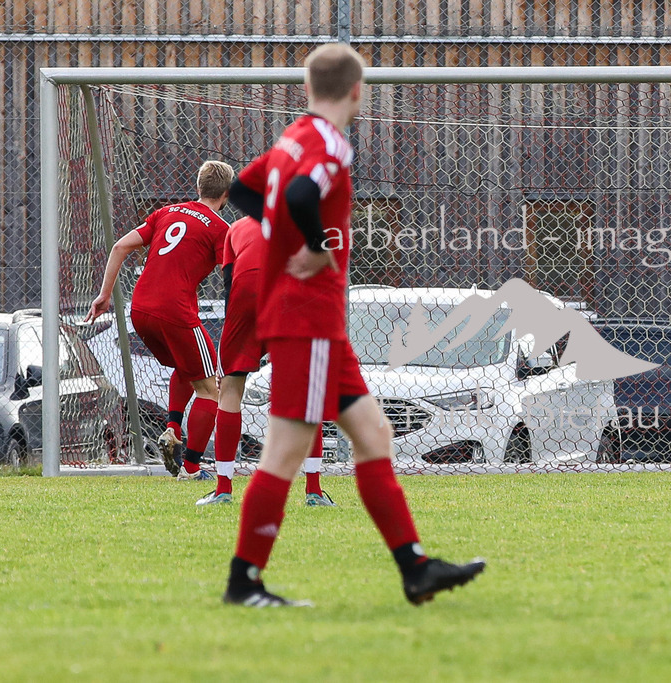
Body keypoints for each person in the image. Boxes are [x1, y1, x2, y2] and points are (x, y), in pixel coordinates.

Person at [222, 43, 485, 607]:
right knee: (284, 453)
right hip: (307, 317)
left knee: (373, 434)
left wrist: (288, 233)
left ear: (308, 88)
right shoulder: (331, 143)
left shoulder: (292, 135)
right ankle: (243, 584)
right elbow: (298, 194)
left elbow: (245, 189)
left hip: (313, 323)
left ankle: (415, 569)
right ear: (358, 90)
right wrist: (314, 245)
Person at [86, 160, 234, 481]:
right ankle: (193, 469)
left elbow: (120, 246)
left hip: (140, 310)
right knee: (211, 390)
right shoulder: (221, 229)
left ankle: (171, 428)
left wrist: (105, 295)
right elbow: (229, 278)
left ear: (198, 187)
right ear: (226, 194)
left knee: (189, 365)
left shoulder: (167, 213)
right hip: (176, 312)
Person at [196, 215, 335, 507]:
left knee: (232, 387)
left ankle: (223, 489)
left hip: (245, 295)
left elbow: (229, 285)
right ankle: (314, 491)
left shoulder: (237, 228)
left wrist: (235, 342)